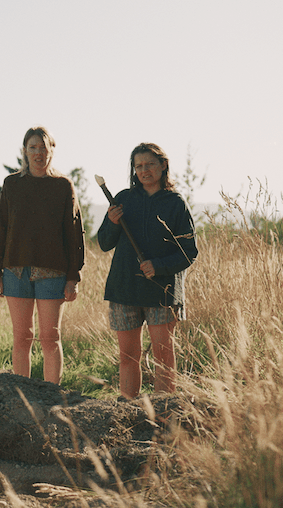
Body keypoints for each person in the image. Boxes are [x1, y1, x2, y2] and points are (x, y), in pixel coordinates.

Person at [97, 142, 197, 399]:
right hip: (124, 289)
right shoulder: (123, 199)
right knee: (128, 356)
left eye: (150, 164)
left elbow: (189, 251)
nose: (144, 170)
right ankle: (129, 415)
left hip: (161, 291)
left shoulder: (175, 204)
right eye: (139, 166)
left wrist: (159, 266)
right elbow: (104, 243)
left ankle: (165, 415)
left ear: (163, 165)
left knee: (163, 357)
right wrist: (112, 222)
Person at [0, 126, 85, 385]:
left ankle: (52, 396)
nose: (39, 153)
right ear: (25, 151)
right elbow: (0, 228)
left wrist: (73, 276)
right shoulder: (12, 184)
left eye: (44, 147)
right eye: (33, 147)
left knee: (50, 338)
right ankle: (24, 398)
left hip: (53, 271)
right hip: (15, 270)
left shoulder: (63, 186)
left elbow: (74, 233)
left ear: (52, 151)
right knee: (22, 337)